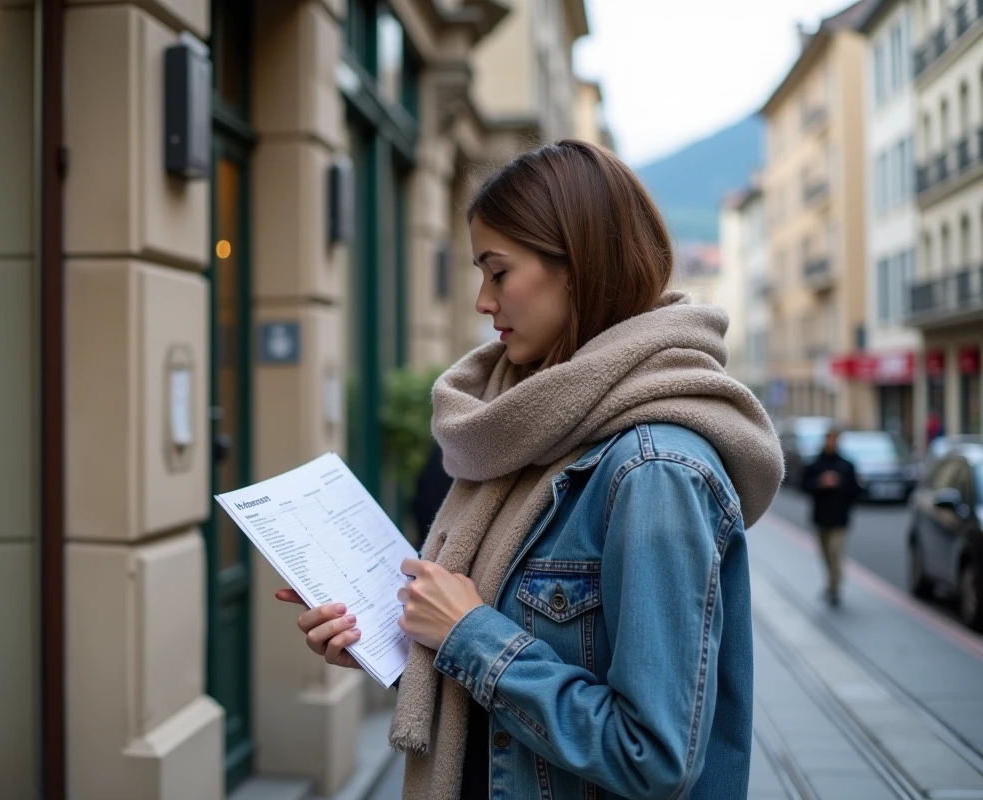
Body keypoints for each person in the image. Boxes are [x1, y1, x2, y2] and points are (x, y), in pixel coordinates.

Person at [275, 140, 784, 800]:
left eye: (497, 271)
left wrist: (469, 633)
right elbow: (501, 712)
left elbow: (654, 756)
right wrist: (384, 644)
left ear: (577, 266)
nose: (483, 301)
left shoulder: (653, 470)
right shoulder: (530, 432)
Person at [801, 428, 860, 607]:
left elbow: (856, 491)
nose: (832, 443)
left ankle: (835, 588)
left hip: (840, 518)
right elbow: (803, 486)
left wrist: (840, 484)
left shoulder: (846, 466)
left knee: (835, 553)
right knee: (825, 554)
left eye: (835, 440)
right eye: (829, 440)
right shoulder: (815, 464)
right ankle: (830, 583)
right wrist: (820, 483)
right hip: (821, 518)